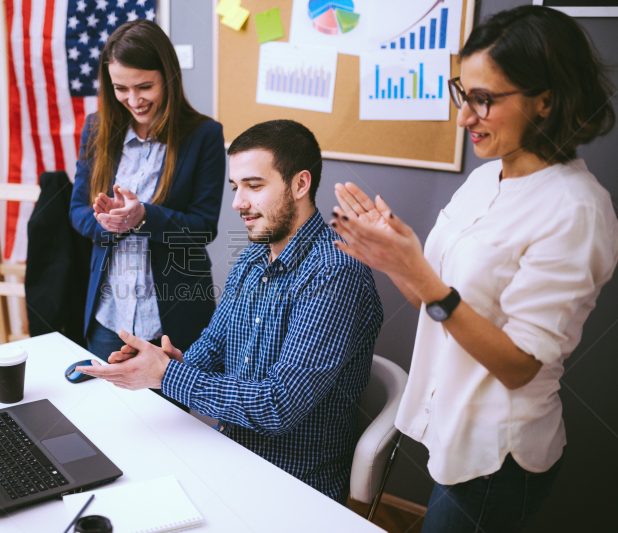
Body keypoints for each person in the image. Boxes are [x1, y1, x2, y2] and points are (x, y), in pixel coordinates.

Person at [329, 6, 617, 531]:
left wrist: (420, 275)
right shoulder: (486, 179)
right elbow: (432, 300)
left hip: (497, 456)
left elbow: (519, 364)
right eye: (464, 93)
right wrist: (390, 257)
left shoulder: (577, 210)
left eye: (484, 100)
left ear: (546, 101)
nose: (464, 118)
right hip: (449, 428)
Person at [77, 120, 383, 502]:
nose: (238, 203)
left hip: (293, 487)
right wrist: (167, 361)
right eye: (235, 188)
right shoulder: (254, 255)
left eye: (254, 186)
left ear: (300, 185)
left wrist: (169, 375)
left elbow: (278, 405)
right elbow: (214, 346)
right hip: (228, 456)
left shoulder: (335, 272)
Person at [70, 20, 226, 381]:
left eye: (145, 86)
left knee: (170, 431)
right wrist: (105, 220)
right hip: (108, 318)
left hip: (172, 319)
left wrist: (143, 216)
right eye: (121, 88)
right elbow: (77, 210)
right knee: (108, 425)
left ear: (168, 77)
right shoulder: (96, 128)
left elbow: (203, 228)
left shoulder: (204, 136)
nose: (134, 100)